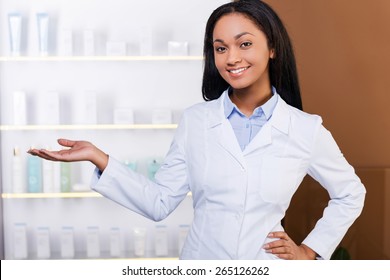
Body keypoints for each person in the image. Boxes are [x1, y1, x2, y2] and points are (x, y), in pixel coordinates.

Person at [28, 0, 366, 260]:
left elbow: (351, 193)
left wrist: (311, 250)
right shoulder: (196, 121)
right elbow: (159, 203)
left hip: (266, 265)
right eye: (221, 48)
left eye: (244, 44)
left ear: (272, 47)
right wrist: (98, 157)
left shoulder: (304, 129)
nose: (231, 58)